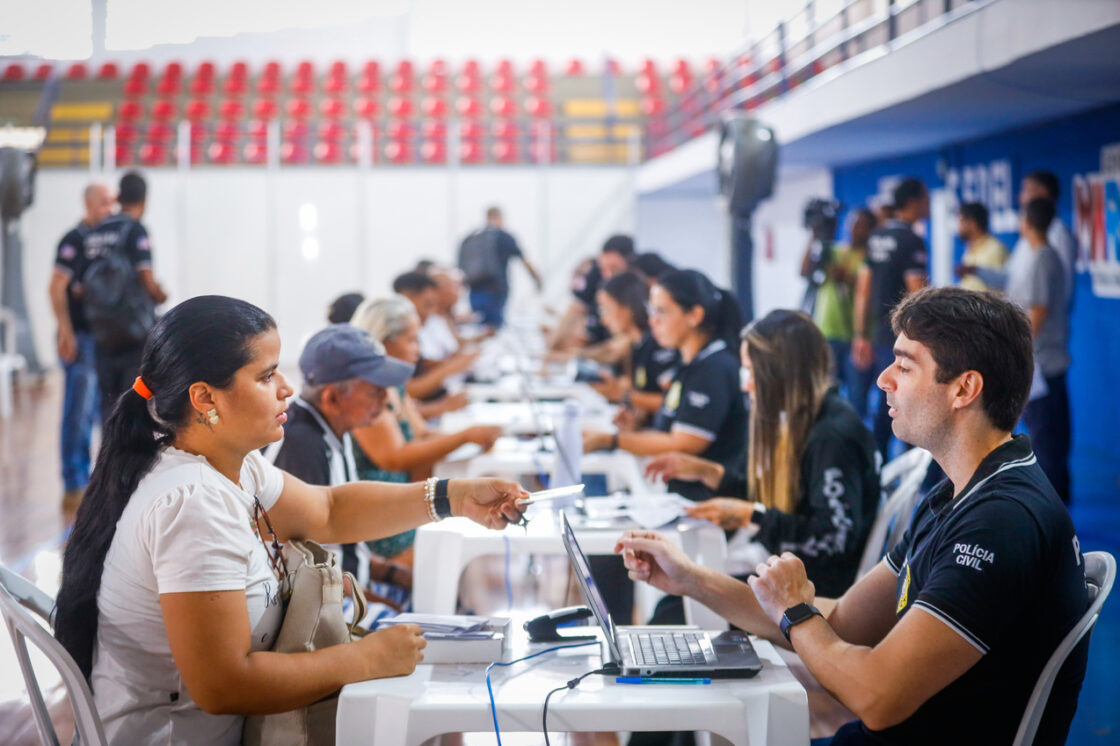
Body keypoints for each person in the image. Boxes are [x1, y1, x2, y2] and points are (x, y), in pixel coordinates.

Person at [617, 287, 1087, 746]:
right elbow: (842, 623)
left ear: (964, 388)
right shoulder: (958, 494)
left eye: (904, 364)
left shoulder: (1000, 522)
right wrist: (691, 579)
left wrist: (795, 609)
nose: (883, 377)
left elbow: (875, 696)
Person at [52, 296, 528, 745]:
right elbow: (225, 686)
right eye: (266, 376)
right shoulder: (192, 503)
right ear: (204, 398)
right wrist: (361, 659)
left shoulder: (227, 463)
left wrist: (455, 496)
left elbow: (330, 510)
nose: (288, 389)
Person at [646, 310, 880, 598]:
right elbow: (774, 499)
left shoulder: (832, 436)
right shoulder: (802, 418)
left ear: (780, 373)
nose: (746, 384)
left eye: (751, 372)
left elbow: (834, 540)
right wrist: (709, 473)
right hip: (789, 575)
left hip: (812, 593)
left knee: (678, 603)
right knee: (678, 597)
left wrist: (751, 516)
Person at [349, 296, 502, 570]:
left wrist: (471, 438)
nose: (418, 350)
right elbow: (394, 457)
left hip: (404, 502)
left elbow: (420, 435)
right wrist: (464, 436)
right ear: (384, 342)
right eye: (411, 340)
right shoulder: (365, 388)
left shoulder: (393, 382)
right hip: (382, 519)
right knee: (456, 554)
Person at [267, 323, 414, 591]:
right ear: (332, 399)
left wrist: (391, 572)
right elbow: (309, 571)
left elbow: (343, 544)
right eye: (375, 391)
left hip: (351, 590)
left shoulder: (335, 429)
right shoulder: (302, 448)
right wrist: (376, 604)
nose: (387, 401)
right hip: (329, 611)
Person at [583, 269, 745, 502]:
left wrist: (611, 440)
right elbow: (670, 426)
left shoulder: (714, 368)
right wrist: (636, 428)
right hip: (675, 493)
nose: (652, 321)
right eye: (651, 310)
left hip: (702, 503)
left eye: (662, 312)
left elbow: (684, 443)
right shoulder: (691, 363)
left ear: (694, 315)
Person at [81, 170, 169, 423]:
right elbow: (146, 278)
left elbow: (80, 284)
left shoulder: (97, 230)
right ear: (144, 199)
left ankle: (109, 457)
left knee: (107, 403)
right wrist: (160, 295)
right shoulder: (135, 229)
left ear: (119, 197)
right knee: (136, 402)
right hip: (133, 333)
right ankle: (132, 460)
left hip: (101, 331)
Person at [853, 177, 929, 460]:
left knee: (885, 405)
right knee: (910, 404)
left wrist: (861, 335)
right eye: (925, 199)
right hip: (903, 339)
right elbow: (917, 295)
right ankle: (915, 474)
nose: (928, 205)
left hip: (877, 336)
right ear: (912, 203)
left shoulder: (877, 237)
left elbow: (863, 290)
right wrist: (923, 340)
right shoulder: (911, 240)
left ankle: (879, 470)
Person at [48, 182, 114, 507]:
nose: (109, 209)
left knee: (107, 411)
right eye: (103, 203)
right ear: (87, 203)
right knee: (79, 412)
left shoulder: (114, 238)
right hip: (82, 338)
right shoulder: (73, 240)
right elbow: (56, 286)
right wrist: (65, 330)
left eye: (112, 203)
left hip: (108, 340)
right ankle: (74, 484)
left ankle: (104, 483)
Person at [1008, 198, 1072, 504]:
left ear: (1028, 222)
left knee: (1046, 438)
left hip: (1043, 364)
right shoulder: (1047, 256)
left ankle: (1051, 505)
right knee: (1052, 436)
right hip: (1049, 360)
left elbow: (1039, 312)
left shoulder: (1042, 259)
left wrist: (1020, 351)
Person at [802, 206, 875, 408]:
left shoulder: (870, 258)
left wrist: (850, 279)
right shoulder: (832, 251)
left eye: (861, 225)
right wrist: (814, 235)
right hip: (827, 332)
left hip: (855, 336)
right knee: (823, 394)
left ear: (871, 230)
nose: (855, 229)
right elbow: (804, 271)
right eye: (852, 224)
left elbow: (869, 288)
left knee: (857, 398)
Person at [591, 272, 679, 418]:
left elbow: (672, 403)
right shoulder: (637, 345)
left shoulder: (659, 344)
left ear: (626, 308)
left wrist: (625, 396)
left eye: (606, 308)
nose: (603, 319)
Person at [393, 270, 477, 414]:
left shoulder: (429, 323)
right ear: (408, 297)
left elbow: (425, 364)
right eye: (428, 304)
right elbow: (409, 391)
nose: (432, 311)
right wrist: (451, 367)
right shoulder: (397, 334)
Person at [549, 234, 637, 351]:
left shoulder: (638, 282)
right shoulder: (596, 272)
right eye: (604, 269)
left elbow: (621, 345)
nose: (608, 275)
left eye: (614, 269)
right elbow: (576, 308)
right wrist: (552, 345)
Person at [457, 206, 541, 328]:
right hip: (494, 292)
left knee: (480, 329)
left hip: (474, 292)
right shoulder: (504, 237)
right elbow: (524, 261)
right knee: (493, 330)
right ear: (500, 217)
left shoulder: (473, 237)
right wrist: (537, 280)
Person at [953, 202, 1008, 292]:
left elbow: (998, 290)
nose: (958, 227)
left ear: (972, 224)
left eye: (961, 222)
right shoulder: (970, 249)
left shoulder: (995, 250)